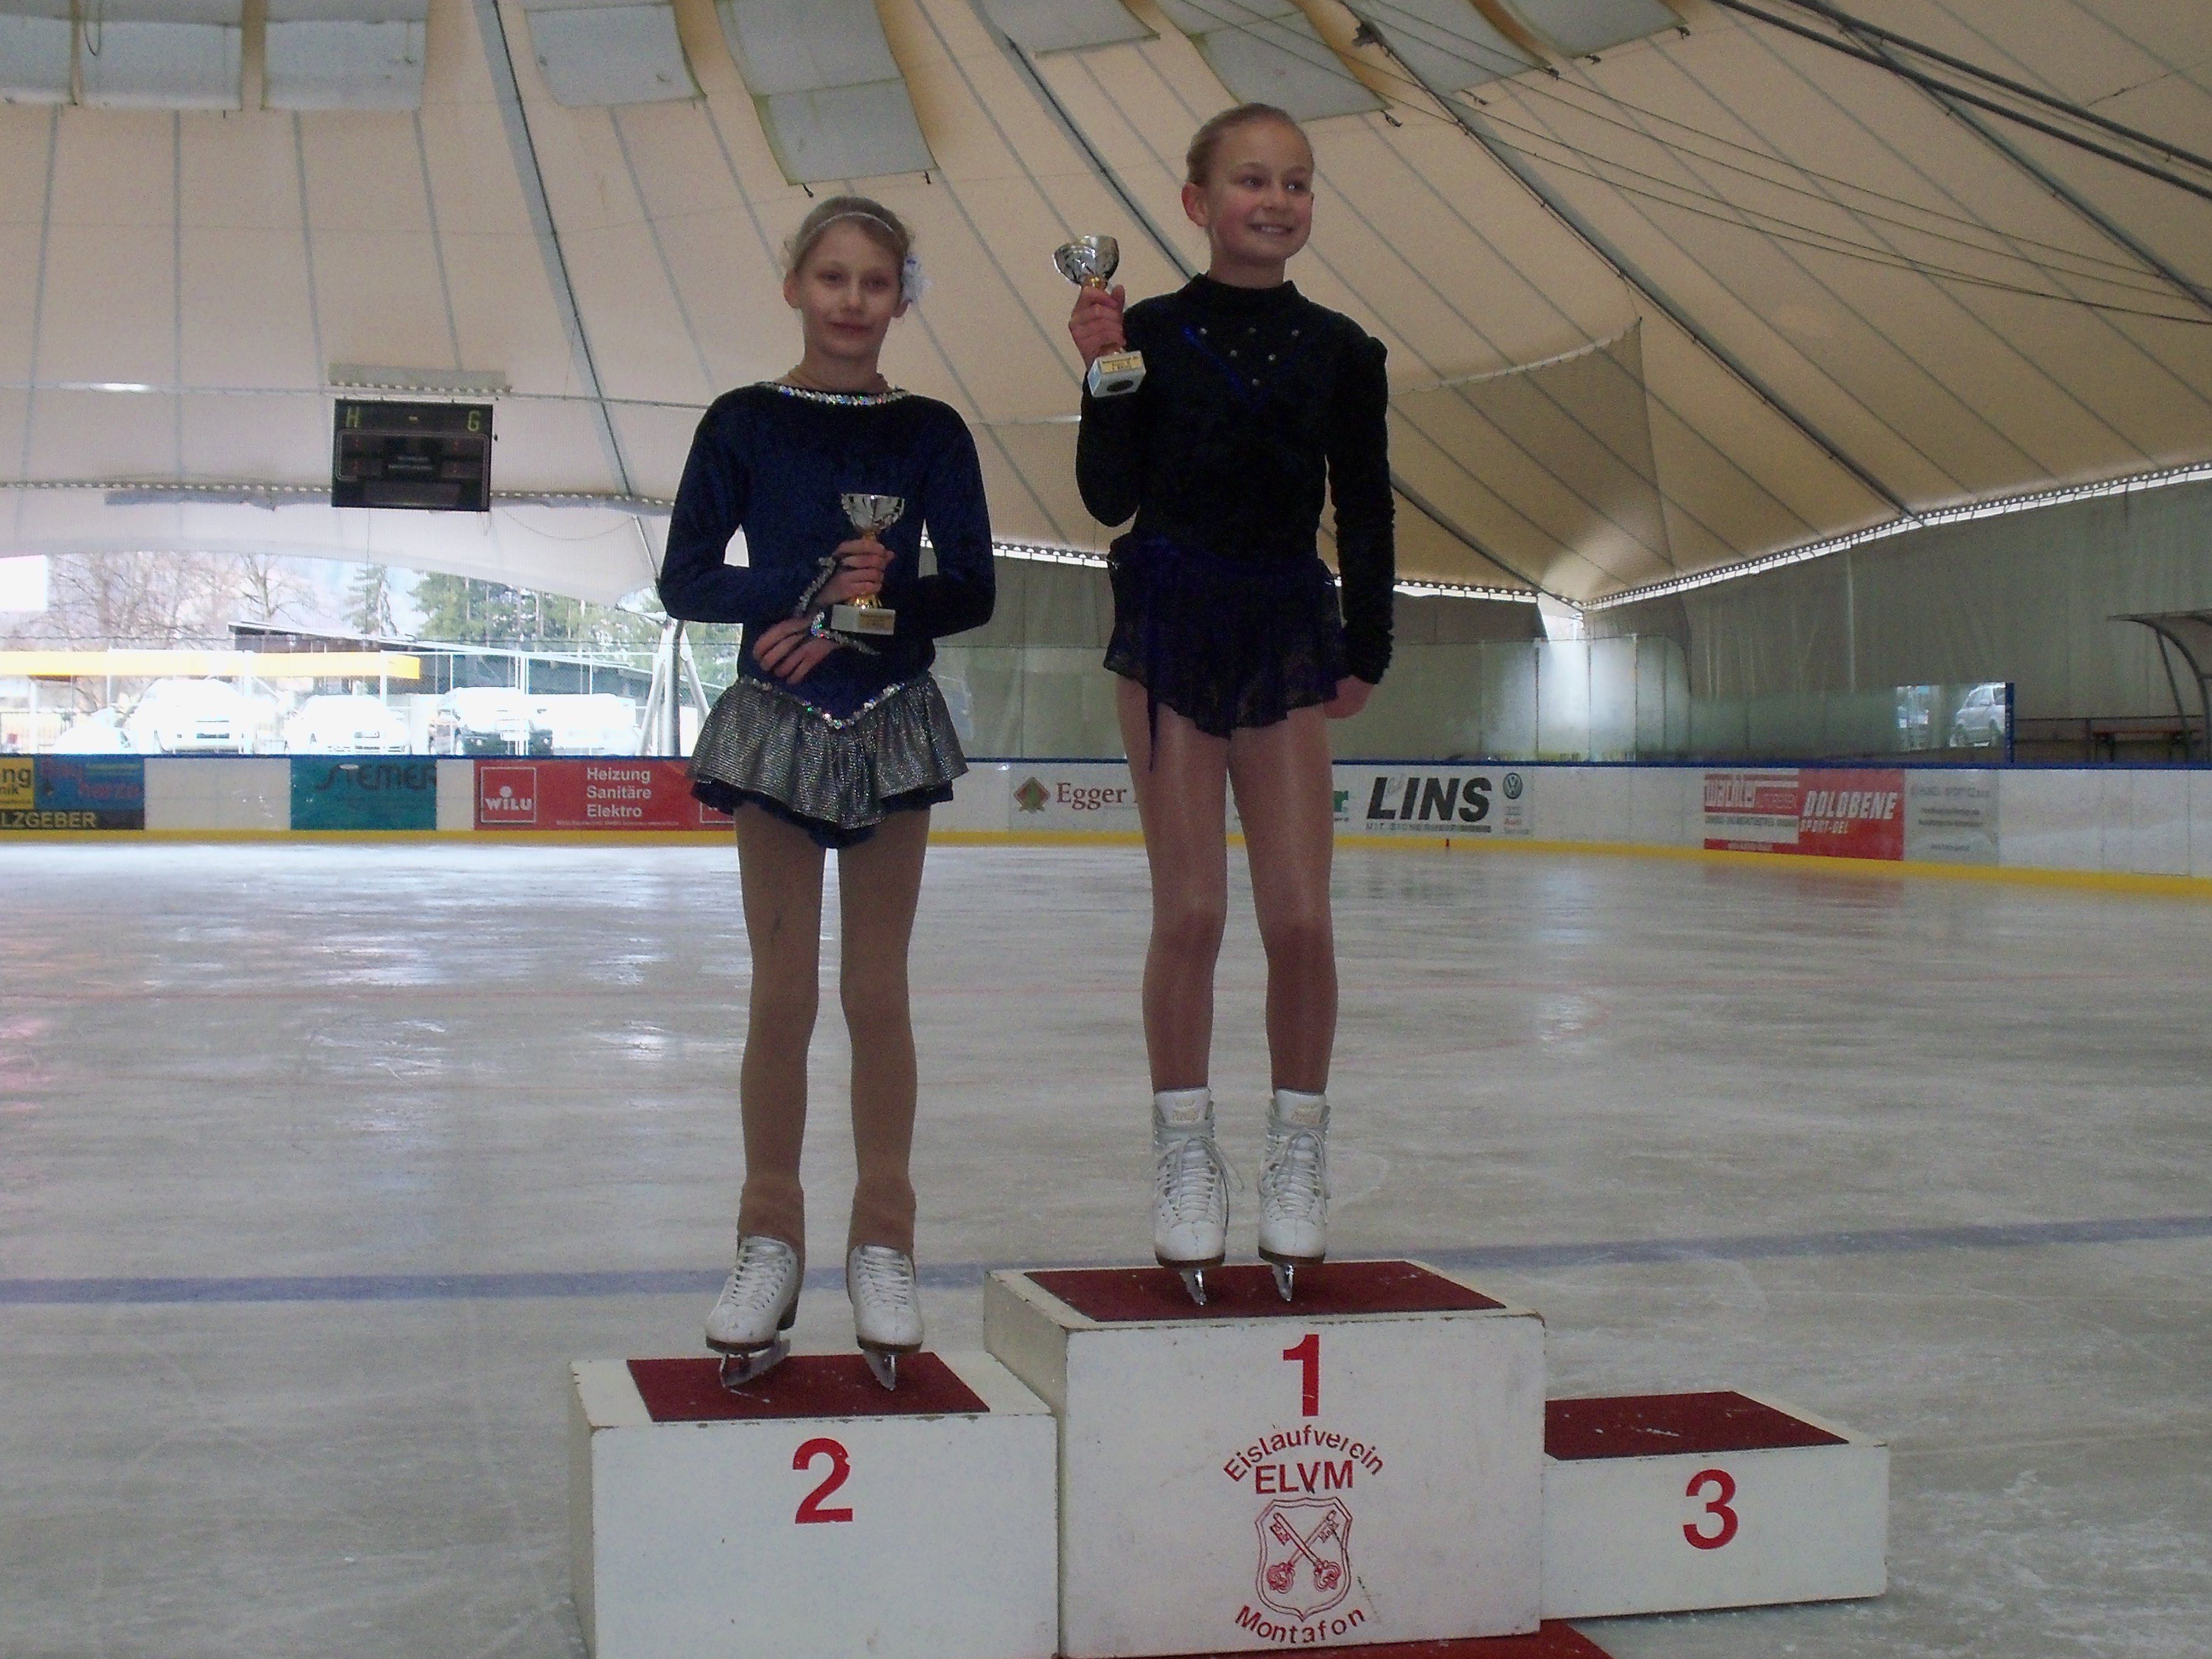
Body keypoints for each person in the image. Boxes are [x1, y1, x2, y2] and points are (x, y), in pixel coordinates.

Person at [660, 195, 994, 1388]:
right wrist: (802, 597)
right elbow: (686, 579)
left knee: (876, 991)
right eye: (833, 277)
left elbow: (973, 590)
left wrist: (872, 610)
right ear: (796, 285)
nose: (853, 300)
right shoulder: (742, 421)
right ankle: (769, 1241)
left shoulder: (932, 431)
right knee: (784, 995)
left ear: (902, 296)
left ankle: (885, 1243)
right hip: (776, 726)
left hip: (889, 717)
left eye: (875, 281)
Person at [1067, 104, 1393, 1304]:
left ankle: (1298, 1152)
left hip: (1284, 627)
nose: (1278, 200)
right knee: (1193, 910)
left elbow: (1365, 504)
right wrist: (1103, 374)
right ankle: (1185, 1156)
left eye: (1297, 182)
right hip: (1170, 623)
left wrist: (1368, 645)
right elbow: (1108, 496)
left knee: (1300, 918)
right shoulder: (1148, 331)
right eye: (1252, 180)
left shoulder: (1343, 350)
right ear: (1199, 202)